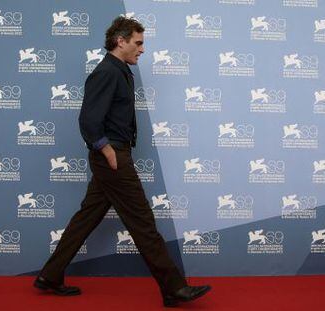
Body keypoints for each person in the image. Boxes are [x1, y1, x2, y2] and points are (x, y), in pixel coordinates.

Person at [34, 16, 211, 307]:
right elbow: (89, 121)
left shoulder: (120, 70)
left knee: (86, 217)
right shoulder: (107, 72)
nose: (142, 50)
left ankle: (49, 275)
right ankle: (173, 288)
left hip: (114, 156)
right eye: (138, 43)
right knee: (142, 222)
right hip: (113, 157)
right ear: (121, 41)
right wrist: (107, 151)